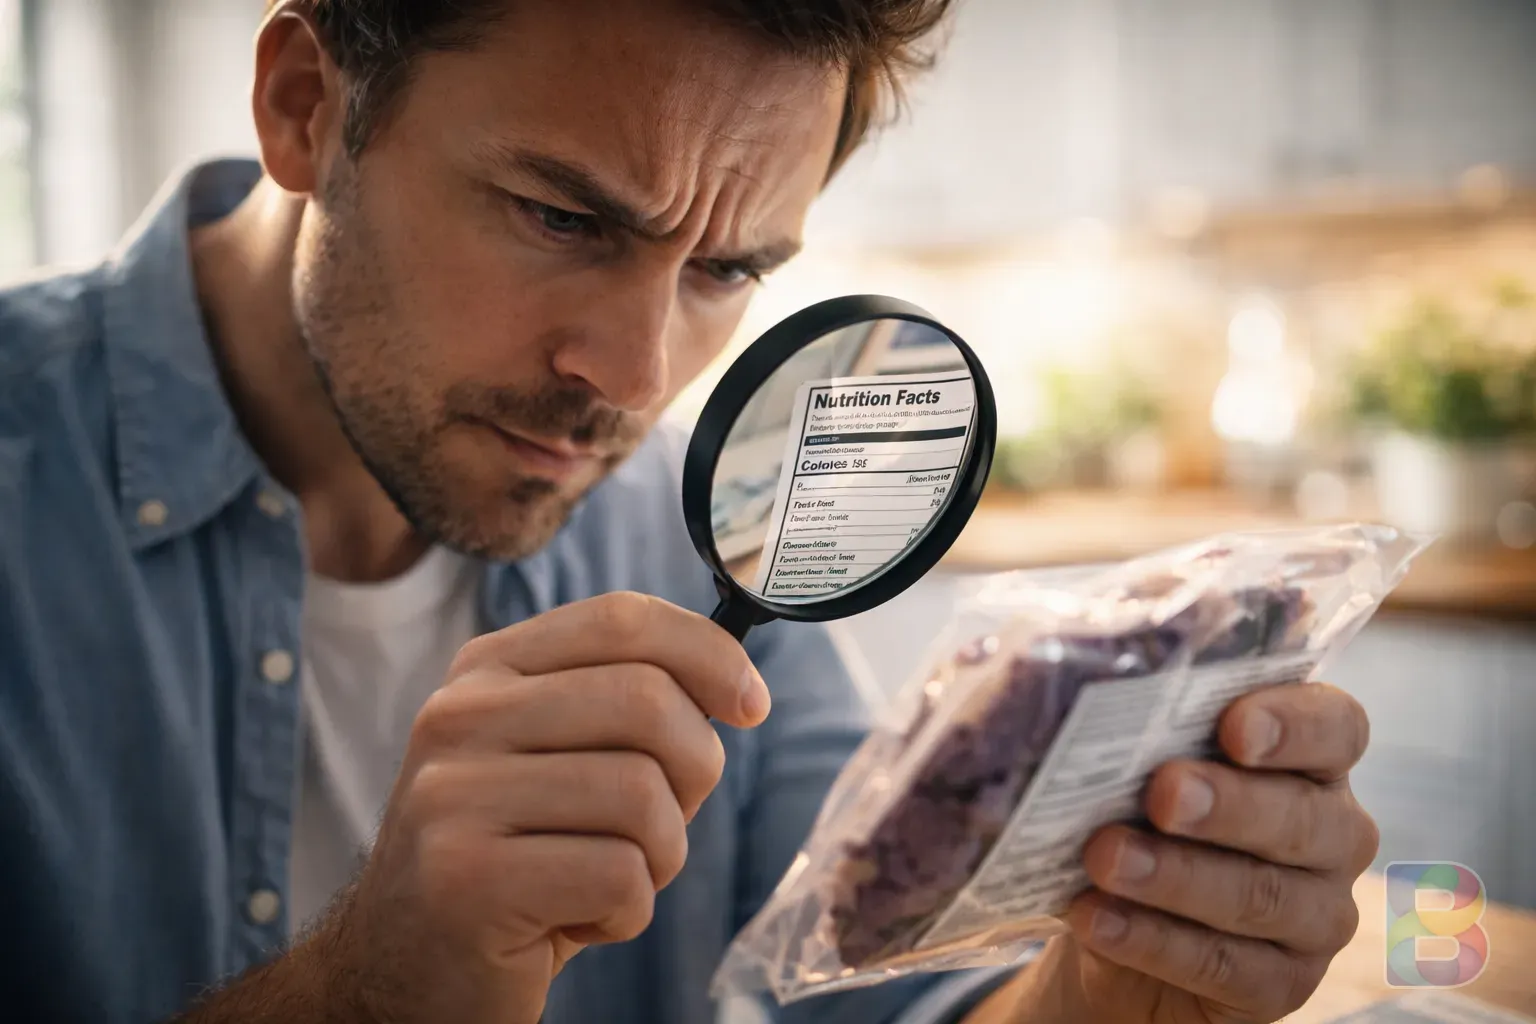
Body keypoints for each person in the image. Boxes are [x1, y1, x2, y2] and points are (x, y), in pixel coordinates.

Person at [0, 1, 1381, 1022]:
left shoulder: (701, 530)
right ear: (307, 103)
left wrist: (1109, 993)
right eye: (560, 217)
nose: (636, 379)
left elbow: (863, 989)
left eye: (725, 270)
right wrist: (357, 999)